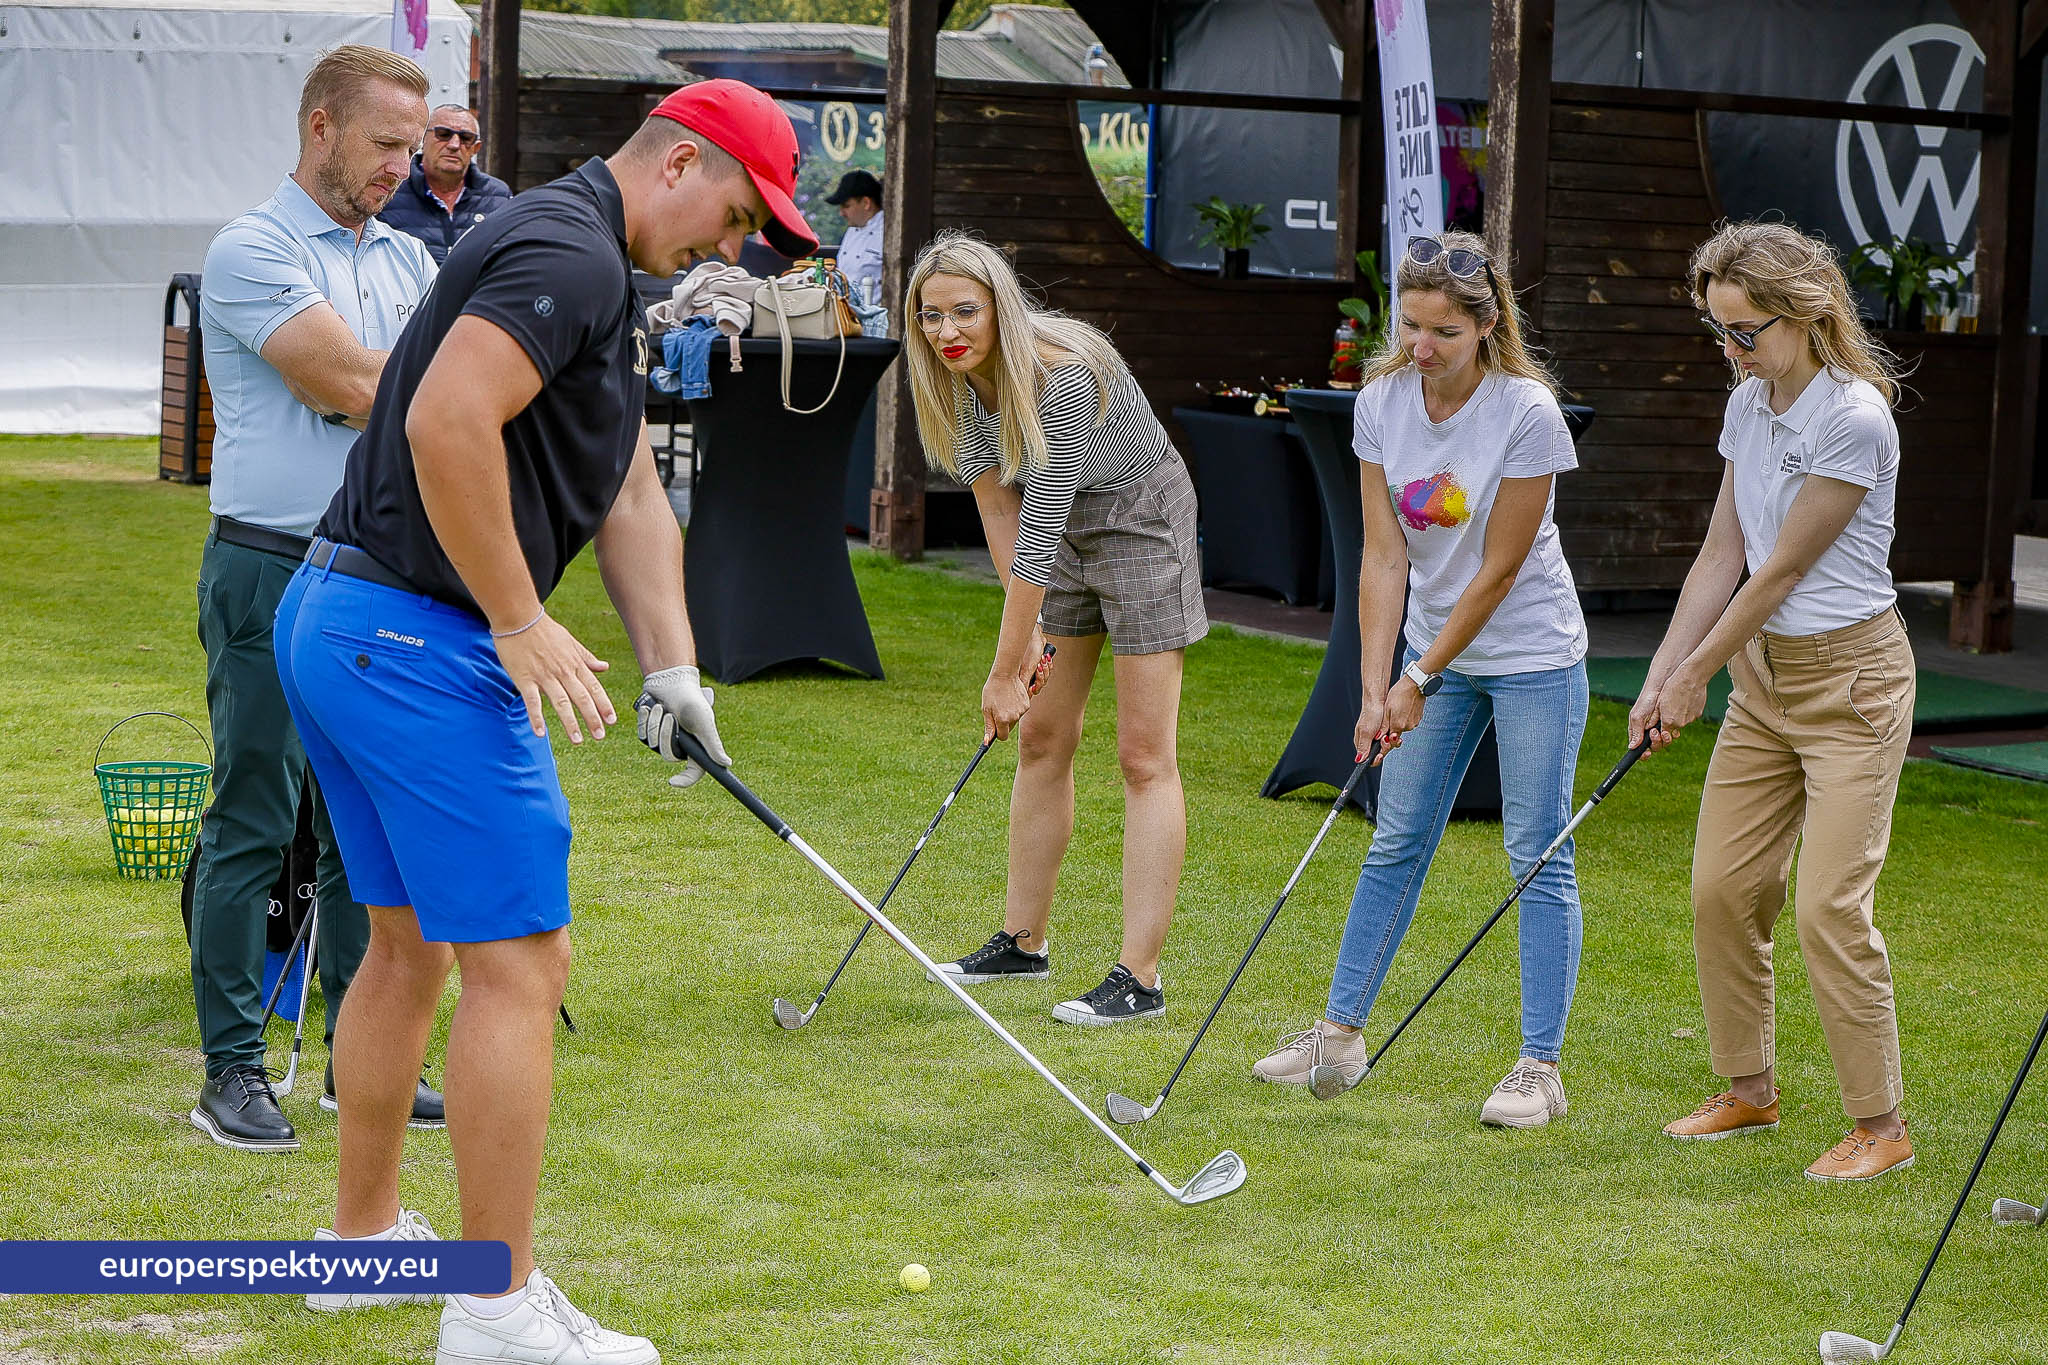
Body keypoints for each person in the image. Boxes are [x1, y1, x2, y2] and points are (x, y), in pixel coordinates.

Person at [274, 78, 815, 1360]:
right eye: (735, 216)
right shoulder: (569, 252)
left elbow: (624, 480)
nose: (730, 248)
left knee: (407, 947)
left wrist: (673, 670)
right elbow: (445, 419)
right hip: (416, 638)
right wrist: (517, 619)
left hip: (341, 620)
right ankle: (495, 1307)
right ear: (679, 163)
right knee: (524, 964)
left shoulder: (596, 266)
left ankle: (360, 1250)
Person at [1251, 231, 1591, 1129]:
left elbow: (1499, 568)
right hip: (1433, 656)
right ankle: (1340, 1035)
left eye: (1443, 330)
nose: (1422, 346)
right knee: (1396, 837)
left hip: (1531, 657)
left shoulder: (1527, 413)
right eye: (1410, 326)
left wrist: (1420, 675)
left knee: (1534, 853)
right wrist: (1375, 685)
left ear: (1485, 325)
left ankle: (1539, 1068)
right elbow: (1383, 557)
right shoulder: (1382, 401)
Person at [189, 44, 444, 1155]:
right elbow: (349, 386)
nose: (405, 166)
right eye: (386, 145)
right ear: (321, 127)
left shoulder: (408, 255)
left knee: (364, 827)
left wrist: (409, 383)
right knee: (254, 819)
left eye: (413, 147)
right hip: (267, 562)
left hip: (377, 570)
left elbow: (425, 388)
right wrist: (415, 383)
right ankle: (232, 1071)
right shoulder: (251, 246)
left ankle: (359, 1060)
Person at [1634, 220, 1916, 1182]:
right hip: (1764, 683)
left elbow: (1779, 570)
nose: (1732, 349)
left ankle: (1881, 1123)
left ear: (1807, 314)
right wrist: (1663, 668)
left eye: (1746, 330)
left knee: (1828, 908)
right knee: (1724, 888)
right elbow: (1722, 554)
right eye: (1720, 330)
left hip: (1853, 683)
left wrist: (1689, 676)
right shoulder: (1748, 406)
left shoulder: (1855, 417)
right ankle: (1748, 1088)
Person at [905, 230, 1206, 1027]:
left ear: (1000, 305)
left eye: (964, 312)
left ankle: (1139, 978)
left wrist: (1004, 672)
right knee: (1041, 737)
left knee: (1143, 753)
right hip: (1056, 530)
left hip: (1142, 518)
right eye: (931, 318)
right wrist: (1025, 641)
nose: (948, 333)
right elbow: (1002, 516)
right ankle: (1021, 942)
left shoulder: (1063, 379)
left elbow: (1036, 535)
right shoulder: (957, 383)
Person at [376, 104, 513, 264]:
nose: (454, 145)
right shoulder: (391, 188)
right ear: (422, 140)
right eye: (443, 134)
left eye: (465, 138)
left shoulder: (498, 196)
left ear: (476, 148)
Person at [825, 168, 884, 304]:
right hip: (846, 313)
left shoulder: (888, 233)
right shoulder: (853, 228)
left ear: (866, 203)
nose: (841, 213)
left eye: (846, 206)